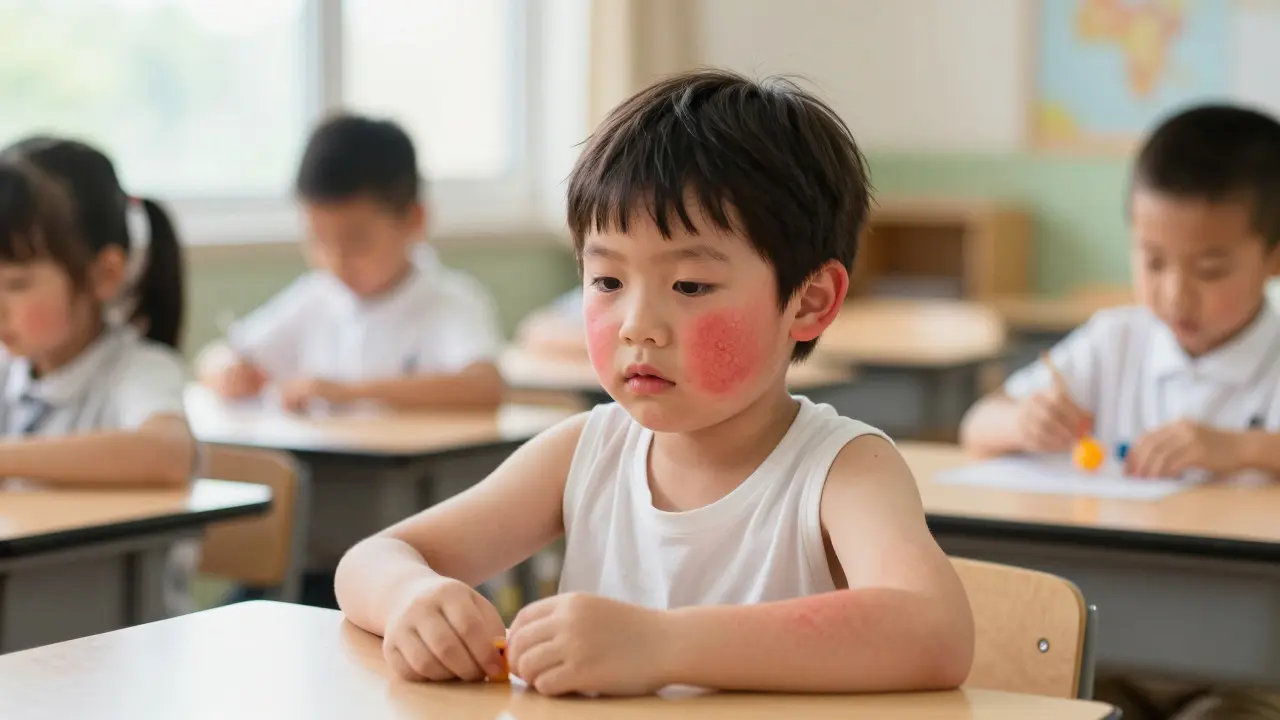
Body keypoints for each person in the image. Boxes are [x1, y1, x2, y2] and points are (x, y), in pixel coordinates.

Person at [334, 69, 974, 697]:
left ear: (808, 302)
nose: (637, 326)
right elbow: (373, 558)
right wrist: (412, 598)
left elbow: (934, 631)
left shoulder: (842, 469)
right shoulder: (585, 451)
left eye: (690, 286)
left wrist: (661, 646)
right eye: (607, 282)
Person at [961, 104, 1280, 720]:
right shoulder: (1115, 341)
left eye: (1210, 268)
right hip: (1112, 652)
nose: (1175, 293)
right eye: (1153, 260)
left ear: (1273, 256)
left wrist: (1243, 449)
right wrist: (1021, 423)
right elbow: (977, 424)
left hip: (1247, 668)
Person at [0, 136, 196, 612]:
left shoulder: (139, 371)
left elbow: (168, 454)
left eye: (16, 284)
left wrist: (6, 458)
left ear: (104, 275)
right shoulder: (9, 367)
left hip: (117, 640)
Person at [197, 114, 504, 413]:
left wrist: (349, 393)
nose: (336, 261)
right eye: (318, 240)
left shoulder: (451, 301)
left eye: (356, 241)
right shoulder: (317, 297)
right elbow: (215, 357)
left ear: (414, 220)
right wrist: (228, 372)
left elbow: (484, 387)